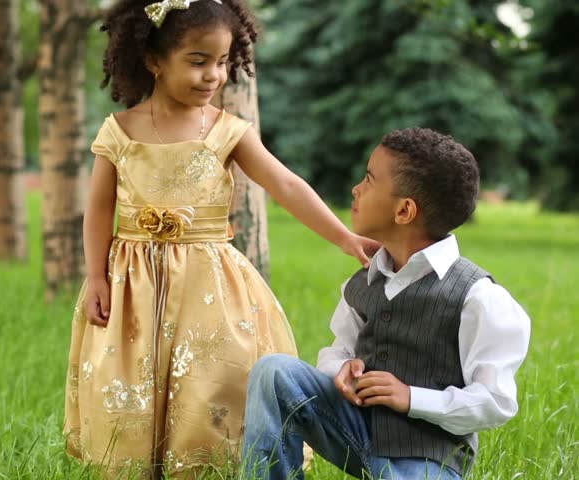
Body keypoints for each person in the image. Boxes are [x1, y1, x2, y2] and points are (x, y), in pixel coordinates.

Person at [63, 0, 379, 477]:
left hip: (207, 286)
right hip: (133, 287)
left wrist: (344, 237)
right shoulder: (119, 132)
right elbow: (100, 209)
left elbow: (285, 184)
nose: (213, 75)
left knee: (210, 382)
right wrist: (96, 276)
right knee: (131, 381)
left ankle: (208, 467)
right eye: (198, 61)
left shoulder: (227, 131)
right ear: (153, 60)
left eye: (222, 62)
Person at [241, 128, 532, 479]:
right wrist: (342, 369)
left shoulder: (478, 297)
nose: (356, 189)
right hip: (354, 428)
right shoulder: (364, 281)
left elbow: (495, 402)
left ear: (404, 210)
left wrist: (411, 397)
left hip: (425, 458)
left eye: (368, 180)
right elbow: (337, 351)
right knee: (274, 372)